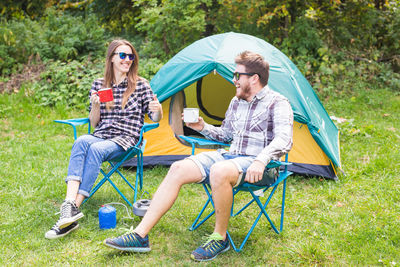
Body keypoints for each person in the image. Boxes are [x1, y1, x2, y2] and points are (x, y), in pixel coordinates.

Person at [104, 51, 293, 261]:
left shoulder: (278, 102)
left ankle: (220, 238)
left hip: (262, 167)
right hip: (231, 157)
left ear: (254, 78)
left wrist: (261, 160)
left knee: (219, 170)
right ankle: (140, 234)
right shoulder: (236, 102)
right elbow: (226, 134)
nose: (233, 80)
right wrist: (202, 127)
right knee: (178, 168)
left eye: (237, 75)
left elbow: (284, 140)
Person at [45, 39, 163, 239]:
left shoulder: (141, 85)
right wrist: (96, 105)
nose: (127, 60)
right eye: (123, 56)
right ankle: (68, 205)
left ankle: (74, 208)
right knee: (82, 141)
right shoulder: (99, 84)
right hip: (102, 135)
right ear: (111, 59)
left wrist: (158, 110)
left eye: (131, 56)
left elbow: (155, 119)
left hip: (126, 140)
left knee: (96, 150)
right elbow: (93, 123)